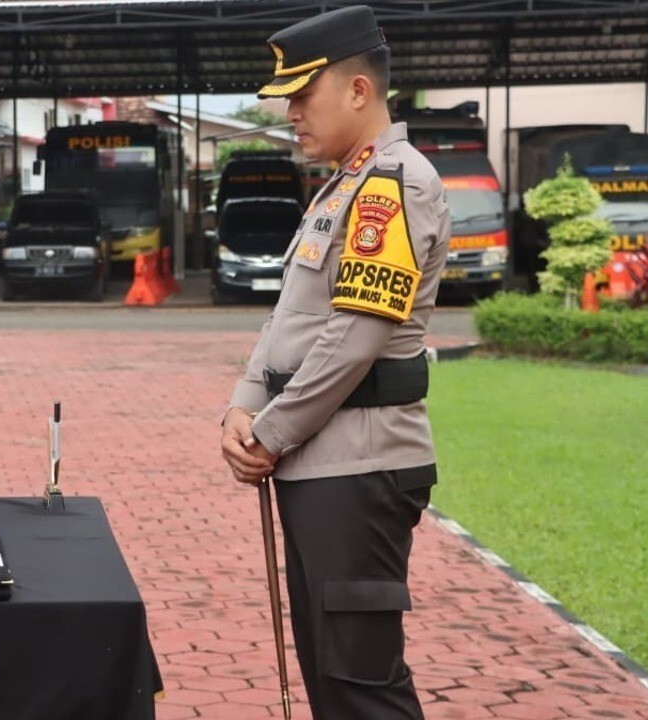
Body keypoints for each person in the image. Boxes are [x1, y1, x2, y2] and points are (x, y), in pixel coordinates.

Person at [219, 6, 452, 719]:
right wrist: (244, 401)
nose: (289, 112)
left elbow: (356, 333)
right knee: (329, 672)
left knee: (360, 683)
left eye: (301, 95)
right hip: (321, 462)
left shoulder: (394, 183)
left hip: (360, 463)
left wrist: (271, 430)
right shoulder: (342, 186)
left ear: (357, 90)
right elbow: (292, 315)